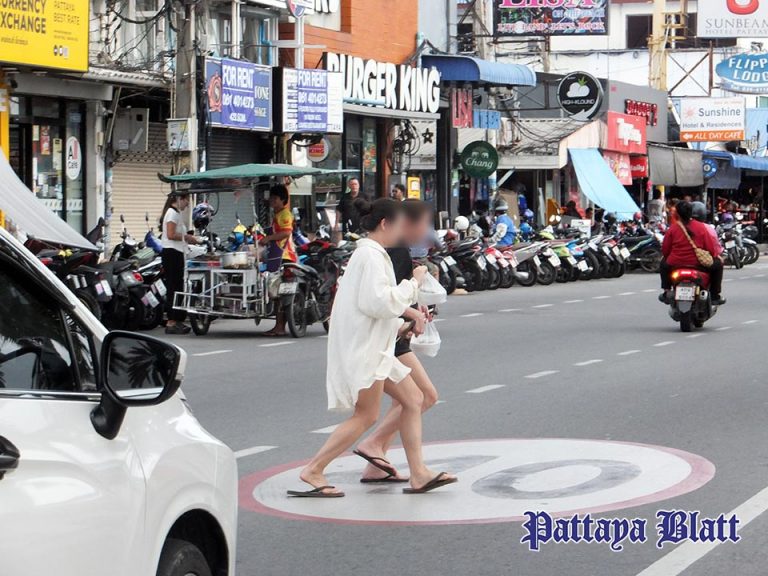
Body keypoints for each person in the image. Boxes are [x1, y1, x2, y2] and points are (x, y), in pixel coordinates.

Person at [288, 198, 457, 497]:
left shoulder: (372, 254)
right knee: (366, 415)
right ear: (385, 224)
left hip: (375, 347)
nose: (402, 231)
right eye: (399, 225)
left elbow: (372, 307)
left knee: (414, 399)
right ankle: (314, 469)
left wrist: (403, 323)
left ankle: (419, 473)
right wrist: (414, 283)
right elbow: (378, 303)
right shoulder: (370, 256)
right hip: (366, 350)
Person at [356, 200, 442, 482]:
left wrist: (415, 309)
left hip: (393, 333)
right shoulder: (394, 251)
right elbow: (385, 298)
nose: (427, 231)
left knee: (410, 400)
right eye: (425, 224)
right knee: (421, 397)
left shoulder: (392, 249)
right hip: (388, 337)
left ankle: (376, 461)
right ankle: (374, 446)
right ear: (408, 223)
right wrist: (411, 313)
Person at [659, 201, 725, 305]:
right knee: (718, 265)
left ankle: (666, 291)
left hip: (675, 263)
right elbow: (711, 249)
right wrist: (714, 256)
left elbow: (665, 250)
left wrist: (670, 257)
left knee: (663, 263)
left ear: (677, 214)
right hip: (699, 264)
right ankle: (715, 295)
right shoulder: (702, 227)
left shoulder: (673, 228)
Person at [160, 192, 201, 335]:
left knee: (178, 286)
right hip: (172, 253)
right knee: (174, 287)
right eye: (186, 200)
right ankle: (171, 321)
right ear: (179, 199)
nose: (188, 204)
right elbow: (171, 234)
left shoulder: (176, 214)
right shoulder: (172, 213)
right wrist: (187, 237)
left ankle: (177, 320)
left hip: (177, 253)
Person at [260, 184, 298, 337]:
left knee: (279, 292)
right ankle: (278, 326)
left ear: (283, 200)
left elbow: (286, 233)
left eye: (275, 199)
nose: (272, 201)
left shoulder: (285, 214)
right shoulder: (277, 215)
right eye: (271, 198)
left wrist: (269, 238)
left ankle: (280, 327)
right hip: (277, 256)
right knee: (276, 293)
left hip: (285, 256)